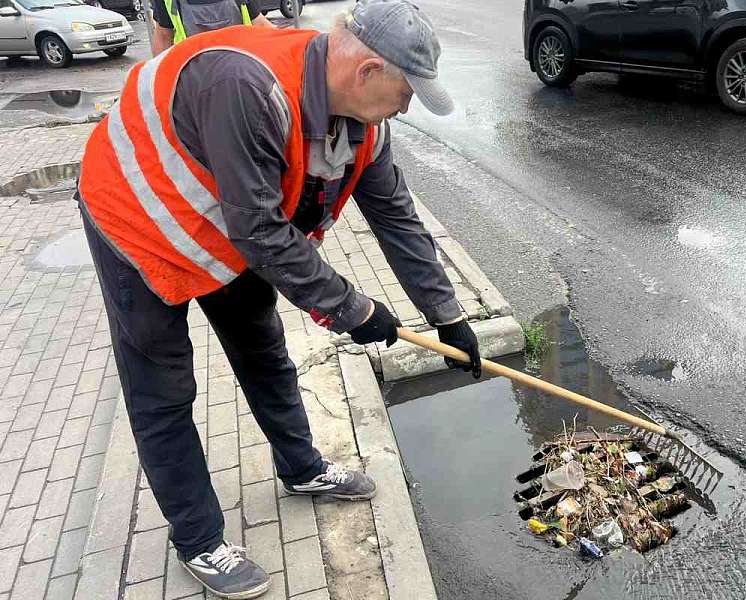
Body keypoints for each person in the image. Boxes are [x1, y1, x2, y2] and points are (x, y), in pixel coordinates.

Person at [76, 1, 481, 598]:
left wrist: (448, 315)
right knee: (164, 389)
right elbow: (263, 233)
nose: (407, 106)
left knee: (263, 350)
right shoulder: (247, 86)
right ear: (368, 71)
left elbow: (395, 215)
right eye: (405, 91)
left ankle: (303, 468)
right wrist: (353, 308)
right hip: (139, 225)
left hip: (228, 230)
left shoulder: (365, 125)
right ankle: (199, 539)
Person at [150, 0, 276, 56]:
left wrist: (292, 42)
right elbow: (163, 37)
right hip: (193, 83)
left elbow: (260, 24)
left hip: (241, 76)